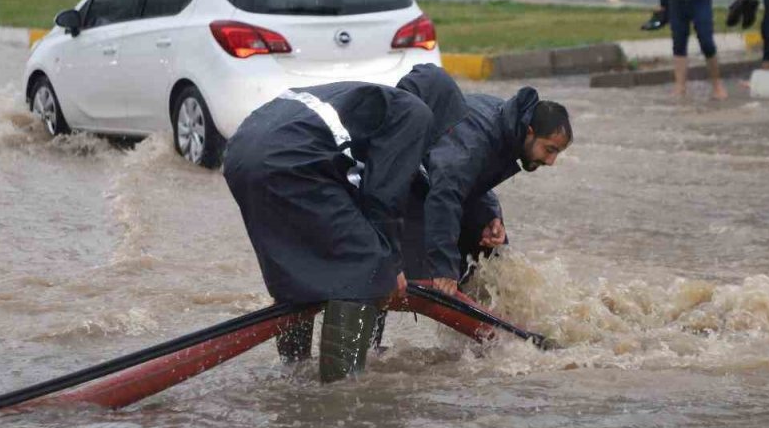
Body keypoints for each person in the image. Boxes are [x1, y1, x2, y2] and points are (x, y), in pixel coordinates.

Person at [221, 64, 467, 382]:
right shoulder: (415, 113)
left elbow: (357, 193)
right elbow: (383, 196)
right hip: (290, 160)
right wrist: (389, 264)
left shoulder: (368, 105)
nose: (447, 134)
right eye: (449, 125)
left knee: (296, 273)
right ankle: (340, 388)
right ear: (440, 107)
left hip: (241, 155)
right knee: (368, 269)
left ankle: (293, 372)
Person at [406, 88, 574, 297]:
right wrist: (443, 270)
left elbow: (469, 178)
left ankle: (499, 309)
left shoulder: (507, 122)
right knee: (402, 272)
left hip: (430, 175)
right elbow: (444, 195)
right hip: (405, 182)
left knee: (493, 245)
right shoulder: (477, 139)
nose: (550, 161)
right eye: (549, 150)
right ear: (529, 132)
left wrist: (491, 215)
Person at [658, 0, 727, 101]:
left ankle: (717, 85)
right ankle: (680, 86)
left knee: (706, 39)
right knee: (679, 41)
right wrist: (663, 0)